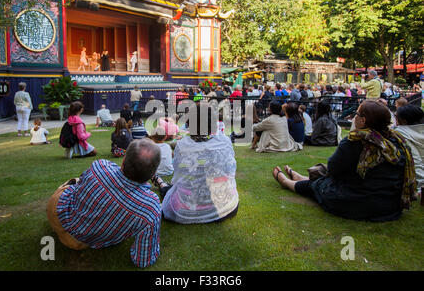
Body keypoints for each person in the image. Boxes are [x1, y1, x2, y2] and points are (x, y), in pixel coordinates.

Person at [272, 101, 418, 221]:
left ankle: (288, 183)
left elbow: (333, 169)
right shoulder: (397, 141)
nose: (354, 117)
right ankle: (301, 179)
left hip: (361, 203)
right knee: (327, 177)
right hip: (391, 205)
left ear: (363, 120)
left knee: (322, 184)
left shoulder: (357, 141)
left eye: (357, 114)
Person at [47, 139, 162, 268]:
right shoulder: (151, 207)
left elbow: (79, 189)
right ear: (152, 174)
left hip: (56, 213)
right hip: (80, 242)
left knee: (76, 181)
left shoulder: (100, 167)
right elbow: (143, 260)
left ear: (124, 160)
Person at [153, 104, 239, 224]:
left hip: (189, 210)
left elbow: (177, 179)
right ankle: (161, 183)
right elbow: (230, 171)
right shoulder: (224, 141)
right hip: (225, 206)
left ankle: (160, 183)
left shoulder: (183, 145)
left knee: (171, 190)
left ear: (190, 123)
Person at [395, 105, 424, 190]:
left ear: (403, 121)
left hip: (418, 185)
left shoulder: (401, 134)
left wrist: (420, 190)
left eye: (396, 117)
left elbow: (415, 161)